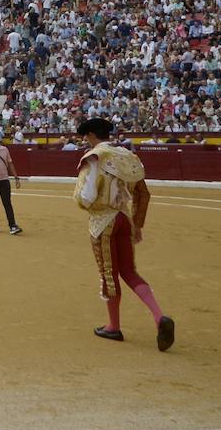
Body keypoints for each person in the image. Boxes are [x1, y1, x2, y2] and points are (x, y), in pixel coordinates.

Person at [73, 117, 175, 351]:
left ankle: (113, 326)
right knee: (129, 271)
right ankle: (159, 317)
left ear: (90, 136)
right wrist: (137, 224)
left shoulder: (94, 157)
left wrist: (89, 205)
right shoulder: (129, 156)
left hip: (103, 222)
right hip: (124, 219)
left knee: (109, 275)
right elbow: (143, 194)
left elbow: (85, 197)